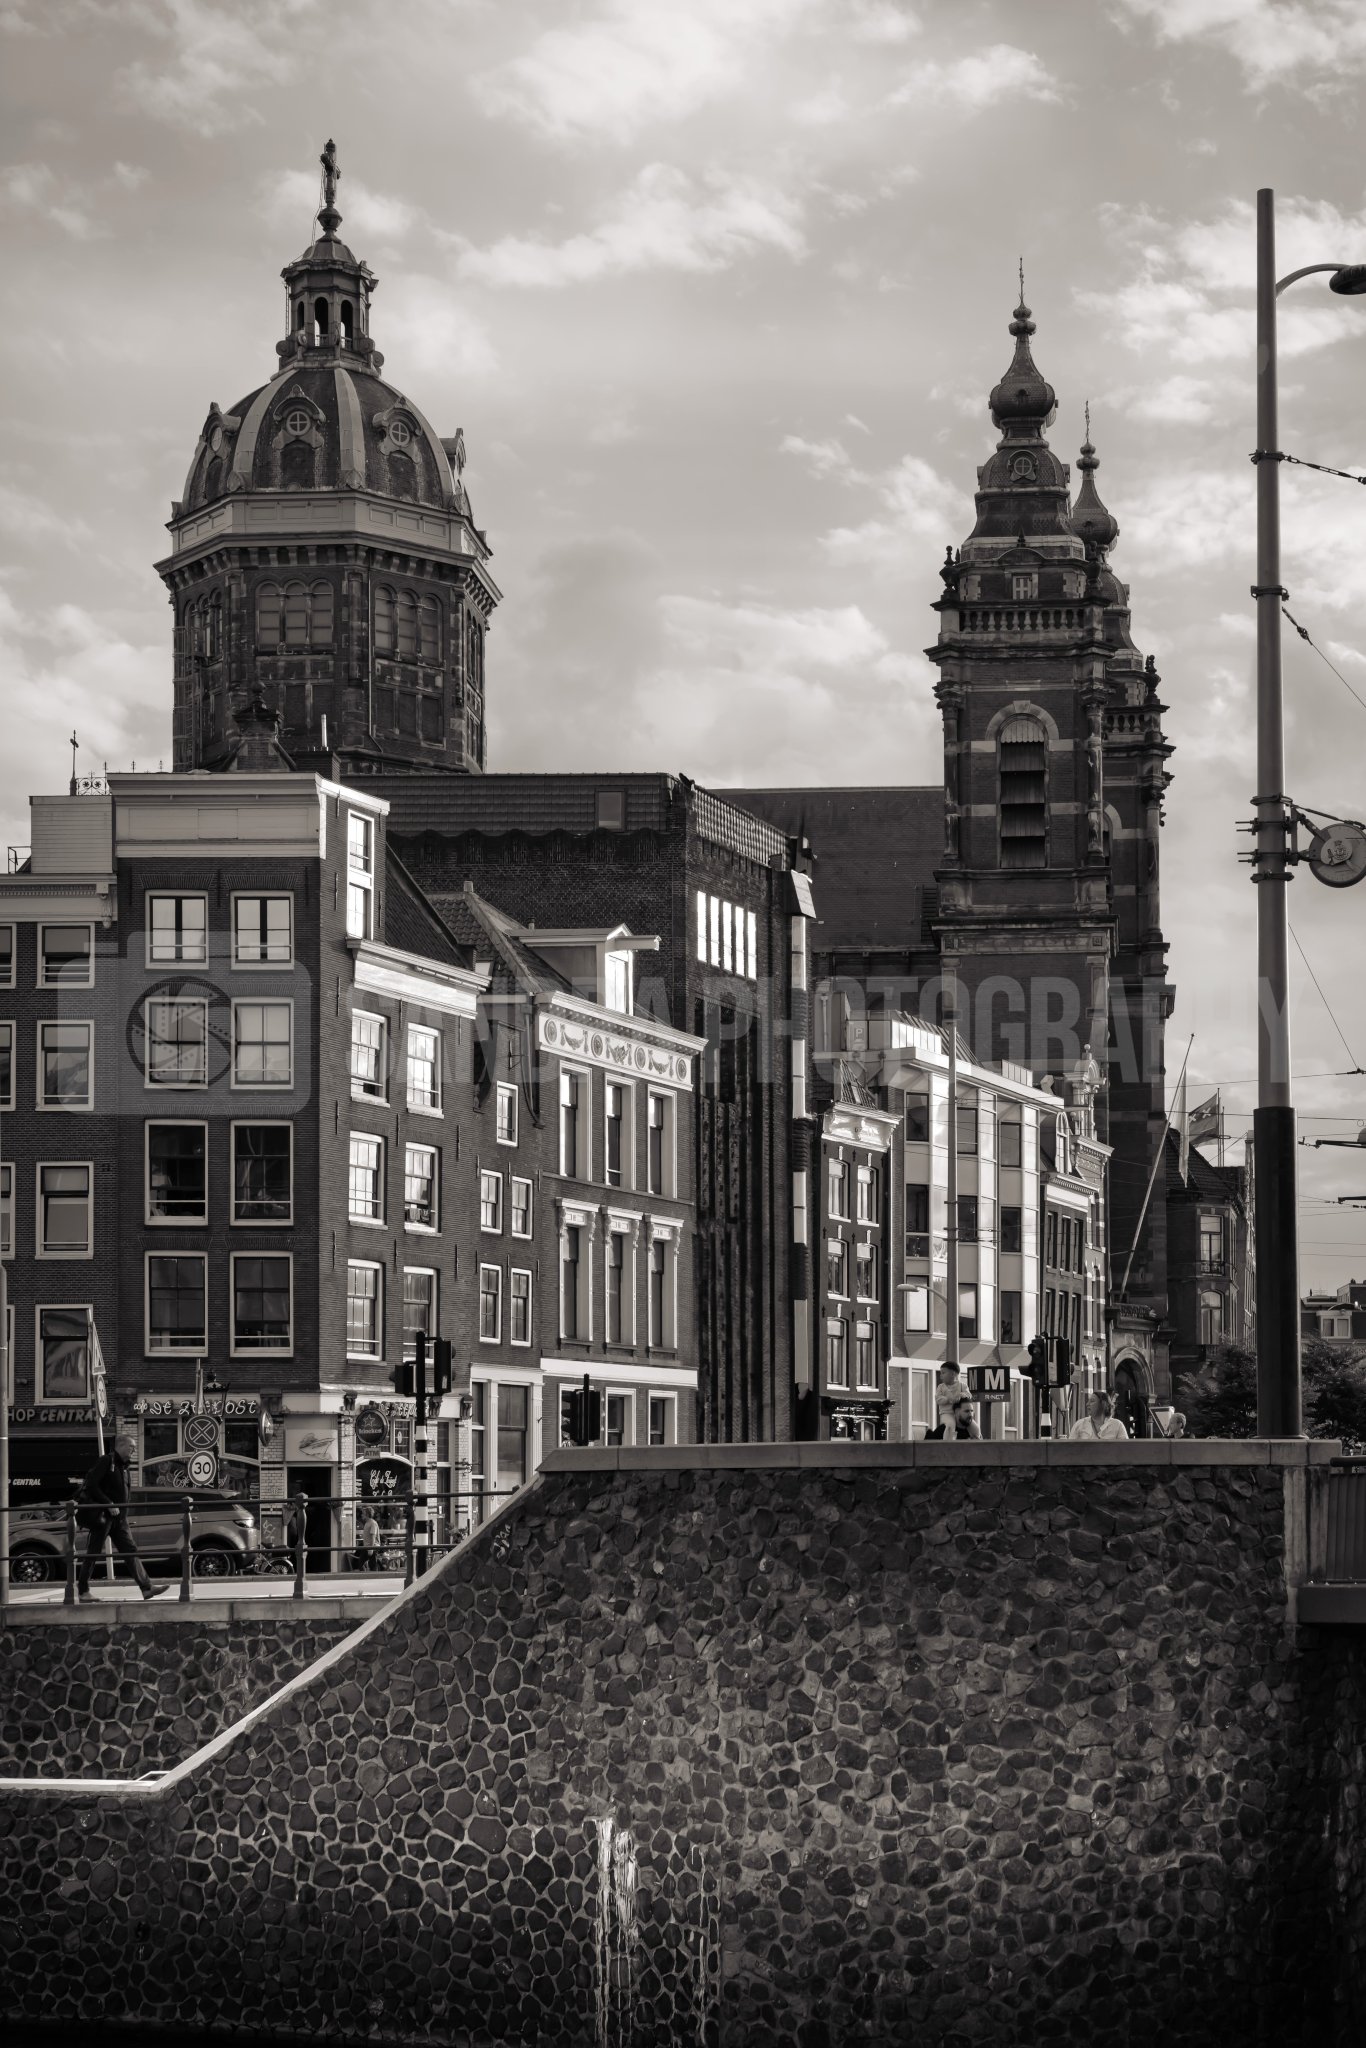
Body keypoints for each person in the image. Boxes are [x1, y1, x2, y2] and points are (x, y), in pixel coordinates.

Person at [76, 1435, 171, 1603]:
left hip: (120, 1520)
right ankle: (83, 1592)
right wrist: (108, 1504)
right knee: (93, 1553)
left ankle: (147, 1588)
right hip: (103, 1517)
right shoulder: (107, 1461)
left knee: (130, 1551)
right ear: (120, 1446)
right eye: (131, 1446)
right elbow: (91, 1485)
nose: (134, 1450)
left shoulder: (125, 1467)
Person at [930, 1361, 969, 1438]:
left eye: (943, 1373)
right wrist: (948, 1399)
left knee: (974, 1427)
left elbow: (969, 1395)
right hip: (946, 1413)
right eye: (940, 1373)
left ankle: (977, 1442)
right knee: (950, 1425)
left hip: (960, 1413)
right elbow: (938, 1399)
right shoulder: (941, 1387)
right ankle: (948, 1445)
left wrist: (961, 1395)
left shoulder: (962, 1385)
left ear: (952, 1374)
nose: (941, 1376)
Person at [357, 1507, 381, 1572]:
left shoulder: (373, 1523)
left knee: (372, 1565)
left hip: (372, 1546)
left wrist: (371, 1548)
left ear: (367, 1515)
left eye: (363, 1513)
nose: (361, 1515)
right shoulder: (367, 1523)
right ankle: (365, 1576)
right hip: (367, 1546)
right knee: (360, 1563)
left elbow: (373, 1536)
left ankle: (374, 1577)